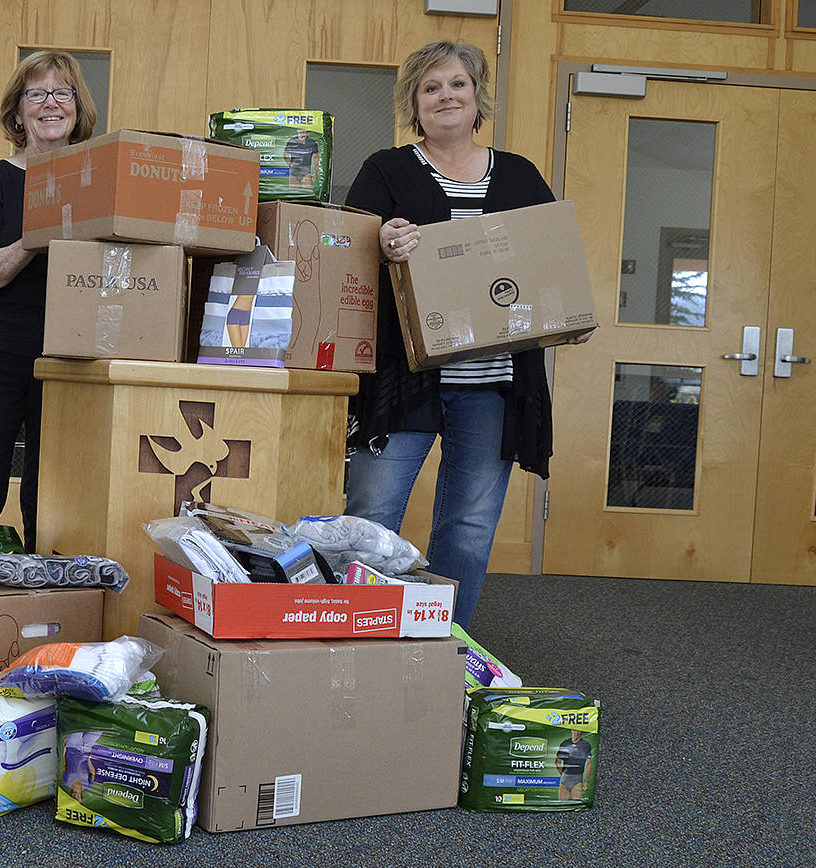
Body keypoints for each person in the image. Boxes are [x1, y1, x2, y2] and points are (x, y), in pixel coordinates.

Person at [343, 40, 563, 630]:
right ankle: (357, 641)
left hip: (492, 385)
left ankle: (443, 646)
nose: (446, 96)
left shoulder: (518, 175)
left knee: (468, 525)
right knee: (373, 515)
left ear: (477, 95)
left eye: (457, 84)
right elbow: (347, 250)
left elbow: (548, 263)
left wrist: (565, 314)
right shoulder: (385, 169)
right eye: (430, 87)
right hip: (402, 379)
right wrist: (383, 243)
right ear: (414, 103)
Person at [0, 52, 98, 552]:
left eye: (62, 93)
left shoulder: (101, 177)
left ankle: (50, 608)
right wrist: (39, 234)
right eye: (37, 94)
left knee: (53, 496)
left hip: (73, 358)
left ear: (78, 107)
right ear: (18, 111)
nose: (50, 103)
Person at [555, 730, 594, 800]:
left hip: (577, 779)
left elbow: (589, 763)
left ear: (581, 732)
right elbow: (557, 761)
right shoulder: (565, 743)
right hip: (565, 778)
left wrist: (586, 782)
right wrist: (563, 774)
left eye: (578, 731)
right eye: (575, 730)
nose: (577, 732)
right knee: (561, 805)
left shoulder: (585, 745)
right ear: (571, 730)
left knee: (577, 804)